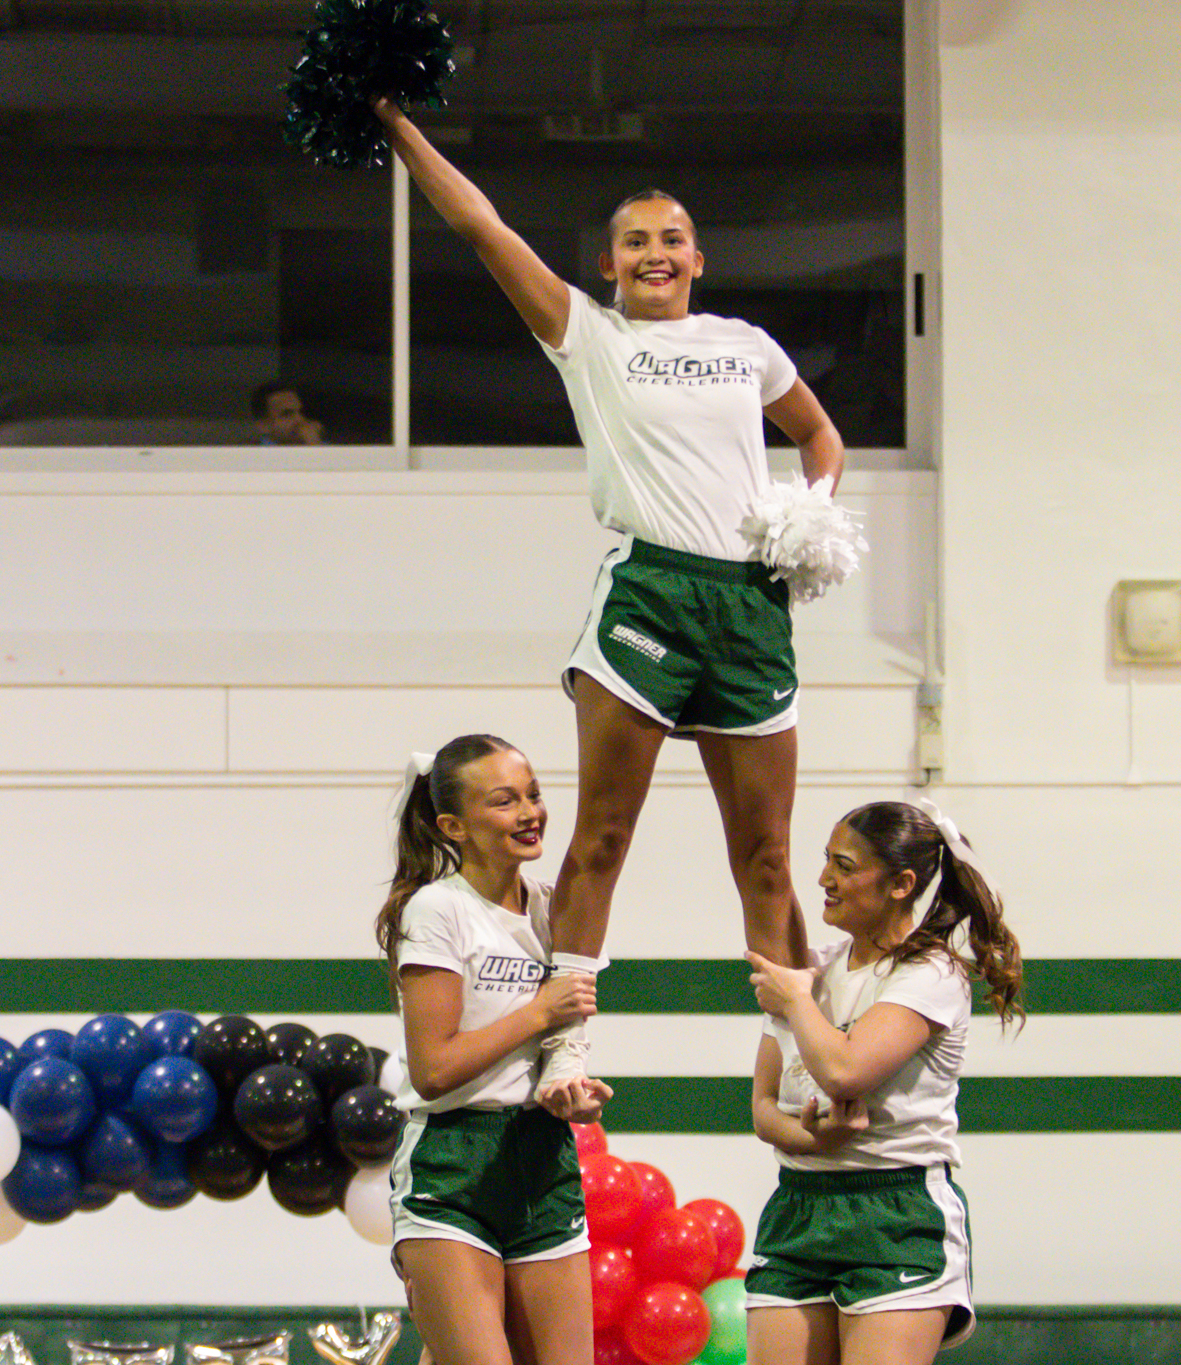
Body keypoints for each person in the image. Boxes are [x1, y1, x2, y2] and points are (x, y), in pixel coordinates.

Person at [373, 97, 850, 1098]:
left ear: (698, 257)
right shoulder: (586, 336)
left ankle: (802, 1056)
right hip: (650, 595)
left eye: (670, 239)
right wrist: (400, 128)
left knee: (764, 857)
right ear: (607, 263)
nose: (652, 254)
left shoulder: (746, 344)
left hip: (750, 605)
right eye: (633, 242)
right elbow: (479, 226)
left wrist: (813, 515)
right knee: (601, 836)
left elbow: (818, 437)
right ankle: (565, 1046)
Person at [742, 800, 1025, 1364]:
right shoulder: (815, 968)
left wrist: (798, 1000)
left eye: (844, 866)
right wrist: (814, 1140)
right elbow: (763, 1107)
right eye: (825, 861)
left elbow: (845, 1069)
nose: (823, 878)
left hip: (895, 1210)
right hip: (799, 1206)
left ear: (901, 884)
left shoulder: (931, 974)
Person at [376, 733, 613, 1365]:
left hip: (541, 1158)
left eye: (533, 795)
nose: (530, 812)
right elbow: (433, 1068)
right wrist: (539, 1009)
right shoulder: (437, 911)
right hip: (453, 1162)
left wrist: (571, 1085)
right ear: (453, 826)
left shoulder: (553, 909)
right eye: (504, 802)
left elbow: (565, 1034)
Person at [251, 379, 324, 445]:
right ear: (263, 425)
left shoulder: (314, 442)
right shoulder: (252, 456)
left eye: (301, 412)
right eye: (287, 414)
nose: (300, 419)